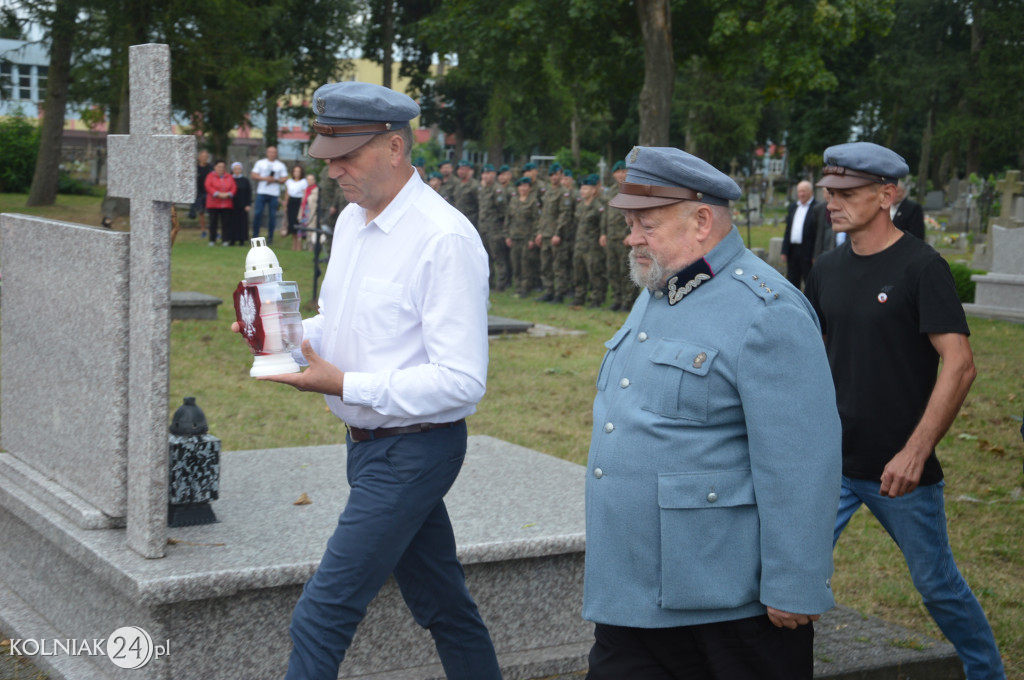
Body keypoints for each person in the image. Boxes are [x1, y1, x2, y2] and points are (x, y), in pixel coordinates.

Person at [237, 81, 501, 680]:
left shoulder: (443, 238)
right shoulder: (353, 221)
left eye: (346, 156)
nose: (333, 170)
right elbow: (342, 322)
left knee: (321, 614)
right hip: (369, 447)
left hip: (415, 449)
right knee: (444, 606)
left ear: (395, 147)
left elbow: (462, 381)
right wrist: (281, 333)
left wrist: (344, 384)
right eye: (327, 157)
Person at [584, 145, 841, 680]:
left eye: (647, 224)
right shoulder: (662, 285)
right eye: (630, 224)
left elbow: (801, 461)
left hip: (723, 601)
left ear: (702, 221)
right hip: (631, 591)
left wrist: (794, 583)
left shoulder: (766, 310)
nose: (632, 238)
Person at [804, 142, 1006, 680]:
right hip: (831, 464)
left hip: (900, 471)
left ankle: (987, 673)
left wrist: (915, 452)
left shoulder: (922, 267)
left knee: (938, 586)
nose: (832, 202)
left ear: (886, 195)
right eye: (829, 192)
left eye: (846, 193)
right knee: (789, 573)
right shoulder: (825, 270)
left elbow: (960, 365)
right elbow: (814, 361)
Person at [570, 174, 607, 308]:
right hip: (580, 244)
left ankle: (596, 299)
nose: (582, 191)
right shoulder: (580, 206)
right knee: (578, 273)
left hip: (592, 246)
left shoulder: (598, 206)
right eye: (581, 188)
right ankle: (579, 296)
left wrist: (603, 236)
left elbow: (603, 225)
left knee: (594, 273)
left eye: (586, 189)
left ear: (593, 190)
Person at [603, 160, 633, 311]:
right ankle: (617, 299)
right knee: (613, 270)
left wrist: (631, 234)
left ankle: (628, 301)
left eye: (623, 171)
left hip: (625, 237)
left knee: (626, 270)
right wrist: (603, 233)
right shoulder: (611, 191)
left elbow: (636, 214)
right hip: (611, 236)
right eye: (618, 172)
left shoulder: (633, 190)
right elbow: (606, 213)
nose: (621, 174)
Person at [781, 180, 820, 289]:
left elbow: (818, 233)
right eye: (799, 191)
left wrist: (815, 254)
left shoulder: (817, 208)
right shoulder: (793, 206)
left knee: (809, 281)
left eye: (804, 191)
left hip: (808, 250)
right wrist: (784, 250)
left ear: (811, 192)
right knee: (792, 281)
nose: (801, 194)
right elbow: (788, 229)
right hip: (793, 251)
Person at [504, 176, 540, 298]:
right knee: (516, 264)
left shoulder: (533, 201)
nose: (523, 188)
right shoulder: (514, 200)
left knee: (526, 265)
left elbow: (536, 221)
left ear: (529, 188)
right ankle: (518, 288)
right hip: (514, 237)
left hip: (526, 238)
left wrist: (533, 238)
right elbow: (508, 219)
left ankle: (525, 289)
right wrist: (507, 235)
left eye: (525, 186)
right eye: (521, 186)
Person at [250, 145, 287, 244]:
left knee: (272, 216)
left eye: (274, 152)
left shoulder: (280, 165)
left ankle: (270, 237)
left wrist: (275, 180)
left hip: (273, 194)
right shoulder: (260, 163)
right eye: (270, 152)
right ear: (267, 153)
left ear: (276, 153)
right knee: (258, 214)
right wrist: (266, 178)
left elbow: (284, 178)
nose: (272, 154)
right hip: (262, 192)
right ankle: (255, 235)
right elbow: (253, 175)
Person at [203, 159, 236, 246]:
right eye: (219, 166)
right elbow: (208, 186)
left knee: (226, 223)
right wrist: (217, 194)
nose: (221, 168)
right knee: (213, 222)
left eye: (223, 167)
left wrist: (229, 194)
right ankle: (212, 240)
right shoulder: (210, 176)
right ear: (215, 167)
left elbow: (233, 187)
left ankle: (225, 240)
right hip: (213, 203)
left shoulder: (229, 176)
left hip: (226, 203)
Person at [284, 164, 308, 251]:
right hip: (291, 202)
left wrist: (303, 205)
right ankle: (293, 245)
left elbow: (304, 194)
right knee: (292, 223)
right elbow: (287, 193)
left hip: (299, 202)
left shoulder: (304, 182)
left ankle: (299, 245)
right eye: (295, 171)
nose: (297, 173)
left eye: (298, 171)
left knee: (298, 223)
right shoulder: (289, 181)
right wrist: (286, 204)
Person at [228, 161, 252, 246]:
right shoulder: (230, 179)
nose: (237, 170)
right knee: (232, 223)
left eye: (239, 169)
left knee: (242, 223)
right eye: (235, 169)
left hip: (243, 205)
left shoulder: (245, 180)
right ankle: (232, 239)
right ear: (232, 170)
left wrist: (248, 204)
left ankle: (242, 239)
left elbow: (249, 192)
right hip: (232, 205)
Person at [190, 150, 212, 236]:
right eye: (203, 156)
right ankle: (203, 230)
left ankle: (212, 230)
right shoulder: (195, 169)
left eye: (206, 156)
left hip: (209, 193)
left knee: (211, 212)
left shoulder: (210, 168)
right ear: (199, 158)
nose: (204, 158)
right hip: (199, 193)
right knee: (201, 212)